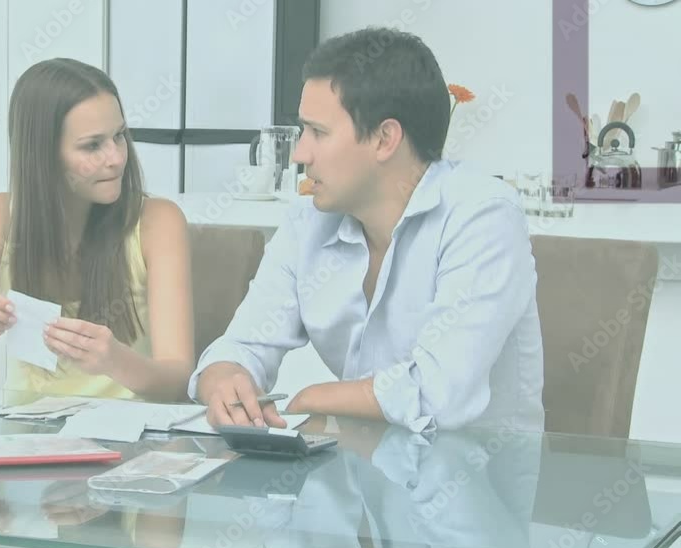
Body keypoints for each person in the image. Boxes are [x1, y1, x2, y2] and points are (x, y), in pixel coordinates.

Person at [191, 27, 544, 433]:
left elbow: (439, 392)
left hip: (470, 481)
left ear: (384, 138)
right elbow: (245, 344)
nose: (301, 153)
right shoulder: (306, 222)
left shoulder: (483, 217)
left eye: (318, 132)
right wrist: (223, 378)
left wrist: (312, 398)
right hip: (351, 474)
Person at [0, 57, 195, 403]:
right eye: (92, 145)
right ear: (43, 155)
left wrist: (115, 360)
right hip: (22, 440)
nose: (115, 158)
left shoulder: (159, 221)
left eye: (119, 136)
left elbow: (180, 380)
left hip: (127, 443)